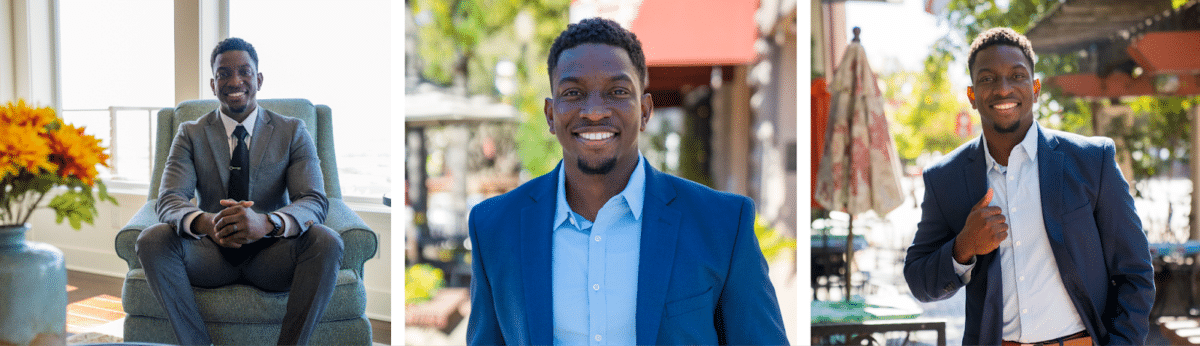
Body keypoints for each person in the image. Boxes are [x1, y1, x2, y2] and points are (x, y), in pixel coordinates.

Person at [465, 18, 788, 345]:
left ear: (645, 111)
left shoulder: (723, 225)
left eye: (617, 91)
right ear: (551, 114)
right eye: (573, 92)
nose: (593, 111)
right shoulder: (494, 227)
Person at [903, 28, 1154, 345]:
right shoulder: (945, 178)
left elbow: (1135, 272)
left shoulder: (1092, 162)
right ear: (972, 95)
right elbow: (918, 280)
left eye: (1017, 76)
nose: (1003, 89)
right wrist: (963, 247)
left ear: (1035, 89)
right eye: (988, 79)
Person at [135, 37, 343, 345]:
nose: (235, 81)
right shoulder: (190, 134)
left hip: (273, 255)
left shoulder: (293, 131)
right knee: (151, 239)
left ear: (258, 79)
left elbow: (312, 200)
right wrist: (208, 223)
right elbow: (169, 199)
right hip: (209, 255)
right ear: (213, 83)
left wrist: (267, 223)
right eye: (224, 74)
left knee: (327, 241)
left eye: (244, 72)